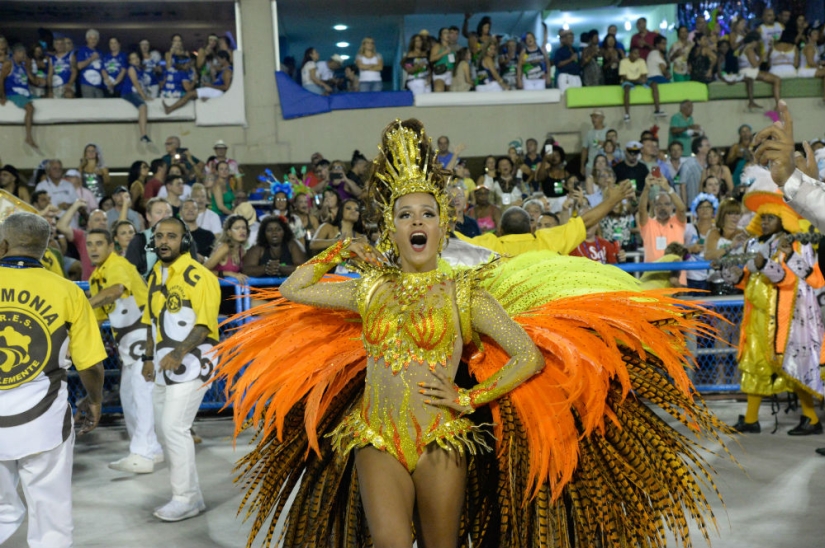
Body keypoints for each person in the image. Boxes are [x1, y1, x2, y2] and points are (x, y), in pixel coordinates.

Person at [211, 119, 729, 548]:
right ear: (391, 229)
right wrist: (340, 251)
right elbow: (297, 287)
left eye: (428, 214)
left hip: (442, 437)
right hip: (375, 436)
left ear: (442, 228)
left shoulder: (466, 293)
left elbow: (527, 357)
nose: (418, 221)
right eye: (405, 214)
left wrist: (470, 396)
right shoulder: (367, 289)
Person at [0, 212, 106, 548]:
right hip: (43, 418)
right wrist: (94, 399)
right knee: (51, 518)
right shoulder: (68, 292)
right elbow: (89, 365)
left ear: (2, 244)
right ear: (47, 251)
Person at [722, 190, 824, 435]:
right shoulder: (752, 243)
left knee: (793, 367)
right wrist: (732, 274)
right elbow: (743, 277)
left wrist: (764, 265)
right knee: (753, 365)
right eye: (762, 217)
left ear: (783, 219)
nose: (765, 221)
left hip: (784, 319)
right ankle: (750, 419)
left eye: (771, 217)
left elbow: (788, 278)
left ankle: (811, 418)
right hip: (755, 316)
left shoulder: (794, 244)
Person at [141, 216, 220, 521]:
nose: (163, 241)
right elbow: (150, 322)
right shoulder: (155, 276)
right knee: (165, 429)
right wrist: (149, 357)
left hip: (192, 362)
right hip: (164, 363)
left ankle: (184, 498)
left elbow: (205, 325)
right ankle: (193, 496)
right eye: (159, 236)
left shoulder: (198, 276)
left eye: (171, 236)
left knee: (174, 427)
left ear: (184, 240)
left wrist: (177, 352)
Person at [85, 228, 164, 473]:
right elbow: (96, 319)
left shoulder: (117, 264)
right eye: (89, 244)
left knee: (141, 394)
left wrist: (83, 305)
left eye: (99, 243)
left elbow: (116, 290)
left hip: (145, 334)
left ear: (111, 246)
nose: (93, 249)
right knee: (129, 396)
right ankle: (151, 448)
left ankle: (142, 454)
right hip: (128, 343)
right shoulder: (95, 276)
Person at [637, 173, 687, 263]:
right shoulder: (648, 224)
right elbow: (642, 210)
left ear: (672, 207)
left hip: (676, 274)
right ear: (654, 207)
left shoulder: (677, 222)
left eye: (667, 204)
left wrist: (668, 188)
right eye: (659, 204)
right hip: (652, 275)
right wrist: (646, 188)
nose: (663, 207)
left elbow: (682, 209)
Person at [163, 50, 232, 114]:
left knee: (190, 94)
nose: (217, 61)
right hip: (214, 91)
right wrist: (212, 77)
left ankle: (170, 109)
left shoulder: (227, 71)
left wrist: (209, 86)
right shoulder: (223, 70)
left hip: (218, 93)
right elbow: (217, 83)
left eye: (218, 59)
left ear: (224, 59)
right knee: (193, 94)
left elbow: (226, 87)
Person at [0, 43, 41, 148]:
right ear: (16, 53)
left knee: (47, 101)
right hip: (14, 93)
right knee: (30, 108)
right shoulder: (9, 64)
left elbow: (34, 81)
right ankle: (28, 136)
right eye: (22, 53)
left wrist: (29, 67)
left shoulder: (24, 66)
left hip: (26, 93)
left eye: (25, 53)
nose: (24, 55)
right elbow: (1, 79)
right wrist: (2, 96)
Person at [242, 214, 307, 278]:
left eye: (278, 229)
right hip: (264, 288)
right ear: (263, 233)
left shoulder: (292, 245)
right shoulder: (258, 248)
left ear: (284, 231)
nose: (274, 232)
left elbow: (302, 268)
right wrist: (265, 269)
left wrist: (280, 268)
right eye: (269, 230)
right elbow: (246, 269)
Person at [125, 197, 173, 278]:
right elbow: (130, 274)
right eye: (159, 212)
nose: (165, 216)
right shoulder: (139, 241)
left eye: (168, 212)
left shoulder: (184, 239)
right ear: (148, 216)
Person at [120, 51, 152, 143]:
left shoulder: (140, 70)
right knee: (142, 106)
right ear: (130, 61)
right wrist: (144, 96)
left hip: (136, 93)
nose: (136, 60)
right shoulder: (131, 68)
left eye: (137, 58)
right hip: (129, 92)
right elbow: (135, 83)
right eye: (133, 59)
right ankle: (143, 134)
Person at [619, 46, 648, 123]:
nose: (637, 55)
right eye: (635, 53)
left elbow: (644, 75)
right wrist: (637, 80)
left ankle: (657, 110)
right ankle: (627, 114)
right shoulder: (623, 62)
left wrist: (641, 80)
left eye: (638, 53)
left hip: (638, 81)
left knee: (654, 84)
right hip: (628, 81)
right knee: (627, 88)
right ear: (630, 54)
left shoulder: (641, 61)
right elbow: (624, 77)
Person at [680, 136, 711, 205]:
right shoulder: (688, 164)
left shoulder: (710, 164)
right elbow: (682, 186)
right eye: (707, 145)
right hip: (693, 204)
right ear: (699, 148)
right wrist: (684, 205)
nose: (710, 148)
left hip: (709, 204)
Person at [75, 29, 104, 98]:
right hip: (87, 83)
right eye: (91, 38)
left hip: (99, 84)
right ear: (87, 39)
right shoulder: (82, 50)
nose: (93, 41)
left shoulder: (100, 52)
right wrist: (91, 59)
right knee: (89, 105)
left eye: (95, 39)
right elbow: (79, 66)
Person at [798, 27, 825, 102]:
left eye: (817, 33)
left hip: (810, 69)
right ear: (809, 36)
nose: (817, 35)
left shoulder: (815, 47)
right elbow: (810, 62)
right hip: (805, 70)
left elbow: (816, 61)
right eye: (814, 33)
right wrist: (820, 67)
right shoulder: (809, 47)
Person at [646, 35, 670, 117]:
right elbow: (663, 70)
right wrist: (668, 75)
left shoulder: (653, 53)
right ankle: (658, 109)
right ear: (657, 45)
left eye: (665, 44)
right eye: (663, 44)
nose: (664, 46)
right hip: (655, 77)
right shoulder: (656, 53)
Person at [430, 28, 455, 92]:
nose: (447, 35)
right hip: (440, 72)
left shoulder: (452, 47)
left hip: (450, 72)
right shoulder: (437, 46)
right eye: (445, 33)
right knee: (439, 91)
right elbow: (431, 59)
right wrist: (443, 53)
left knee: (449, 94)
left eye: (449, 33)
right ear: (441, 36)